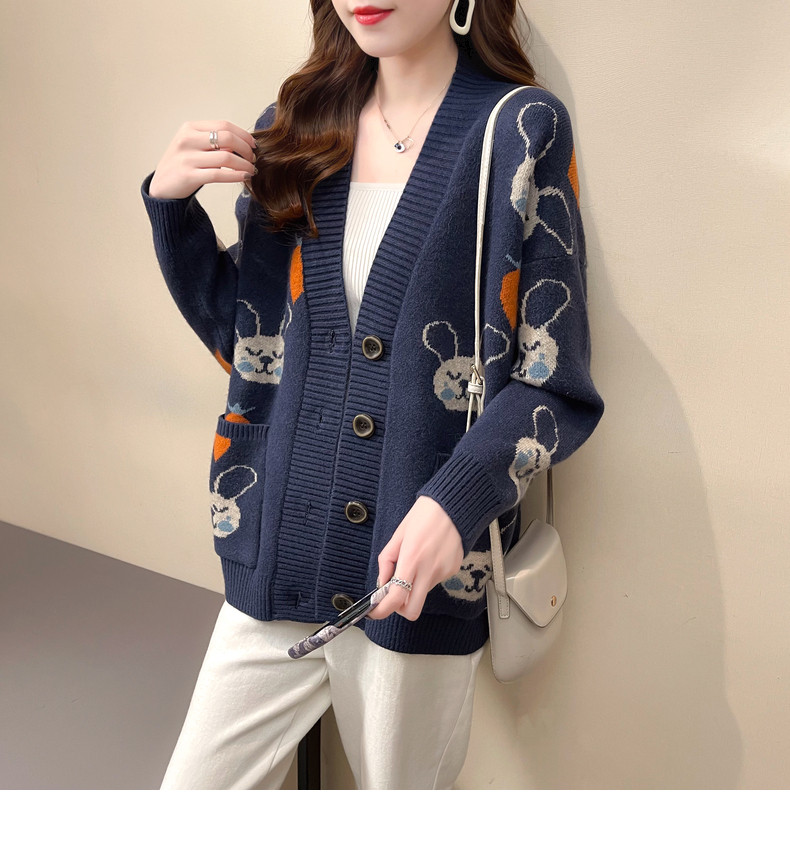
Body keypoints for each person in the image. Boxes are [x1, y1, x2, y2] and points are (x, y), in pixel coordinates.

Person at [140, 0, 604, 790]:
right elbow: (254, 351)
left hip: (414, 590)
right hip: (276, 558)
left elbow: (554, 382)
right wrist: (172, 211)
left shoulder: (519, 131)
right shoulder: (295, 128)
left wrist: (453, 504)